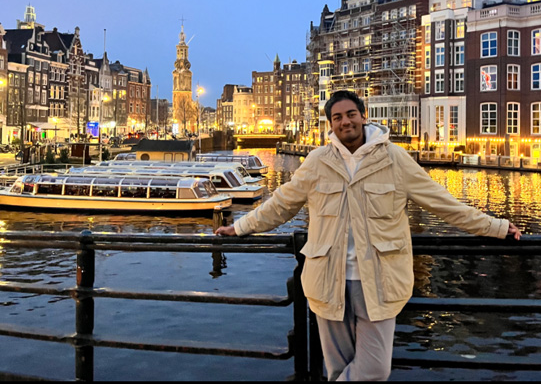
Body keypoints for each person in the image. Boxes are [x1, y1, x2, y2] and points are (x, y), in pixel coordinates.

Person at [215, 90, 521, 381]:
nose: (345, 121)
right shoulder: (318, 162)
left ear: (364, 116)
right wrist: (239, 227)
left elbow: (443, 203)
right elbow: (282, 204)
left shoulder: (394, 159)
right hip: (326, 278)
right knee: (338, 369)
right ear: (330, 124)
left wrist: (494, 227)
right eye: (337, 117)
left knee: (374, 370)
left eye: (350, 114)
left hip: (379, 279)